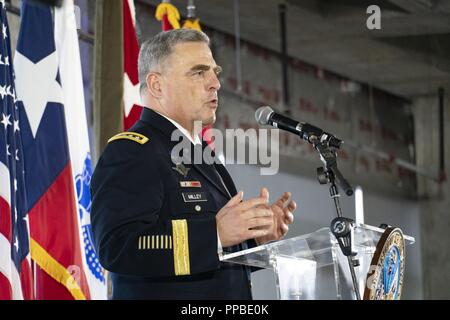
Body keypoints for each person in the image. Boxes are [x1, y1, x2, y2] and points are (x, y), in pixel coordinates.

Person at [90, 29, 296, 300]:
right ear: (157, 85)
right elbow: (117, 246)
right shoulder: (132, 151)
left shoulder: (201, 154)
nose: (215, 83)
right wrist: (216, 235)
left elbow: (206, 266)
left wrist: (253, 240)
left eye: (215, 72)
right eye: (199, 72)